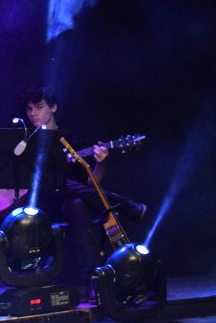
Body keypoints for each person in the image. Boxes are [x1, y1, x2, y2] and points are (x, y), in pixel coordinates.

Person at [17, 85, 147, 295]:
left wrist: (101, 163)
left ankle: (93, 282)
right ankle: (119, 202)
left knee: (76, 203)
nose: (33, 113)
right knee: (50, 181)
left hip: (67, 203)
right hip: (37, 204)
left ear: (53, 107)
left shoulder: (71, 141)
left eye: (39, 107)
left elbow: (89, 183)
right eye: (29, 109)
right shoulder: (24, 140)